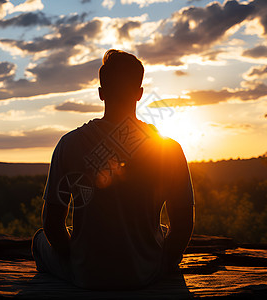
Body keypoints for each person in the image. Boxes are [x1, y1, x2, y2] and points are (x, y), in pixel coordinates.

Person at [32, 49, 194, 290]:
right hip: (144, 273)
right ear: (139, 94)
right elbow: (183, 225)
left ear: (101, 93)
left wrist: (78, 261)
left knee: (38, 241)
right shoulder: (168, 149)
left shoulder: (70, 144)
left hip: (87, 275)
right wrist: (161, 264)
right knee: (161, 231)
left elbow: (52, 224)